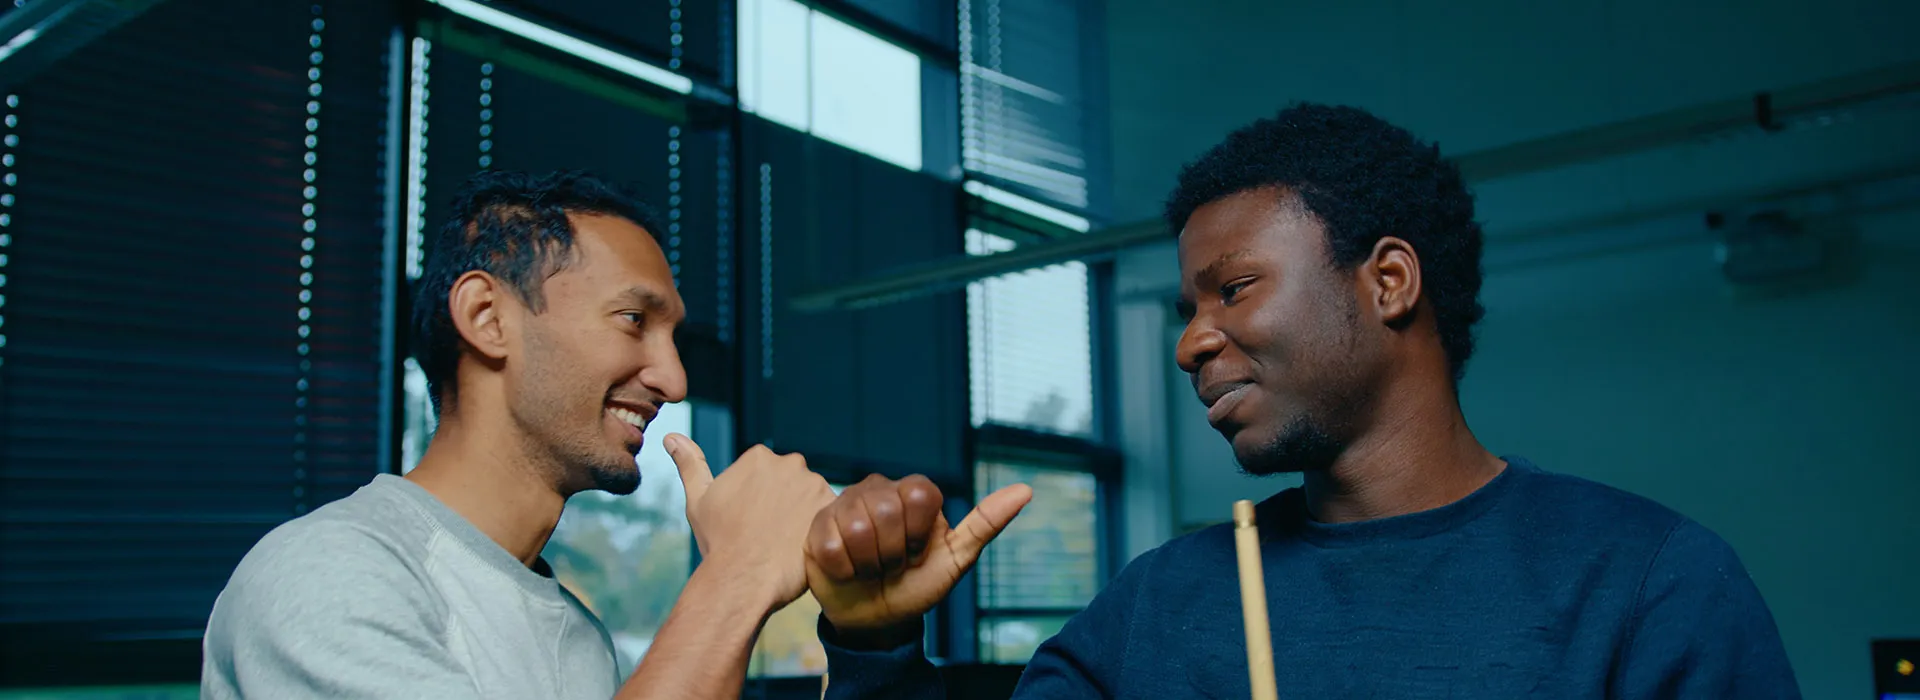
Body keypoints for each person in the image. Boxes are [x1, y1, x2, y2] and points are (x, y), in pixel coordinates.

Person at [804, 104, 1802, 698]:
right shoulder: (1157, 608)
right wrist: (876, 644)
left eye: (1233, 289)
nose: (1192, 339)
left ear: (1389, 282)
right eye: (1186, 307)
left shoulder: (1645, 585)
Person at [202, 170, 839, 699]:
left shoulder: (584, 640)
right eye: (632, 318)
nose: (673, 380)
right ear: (487, 319)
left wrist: (873, 640)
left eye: (672, 338)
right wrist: (740, 571)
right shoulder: (330, 574)